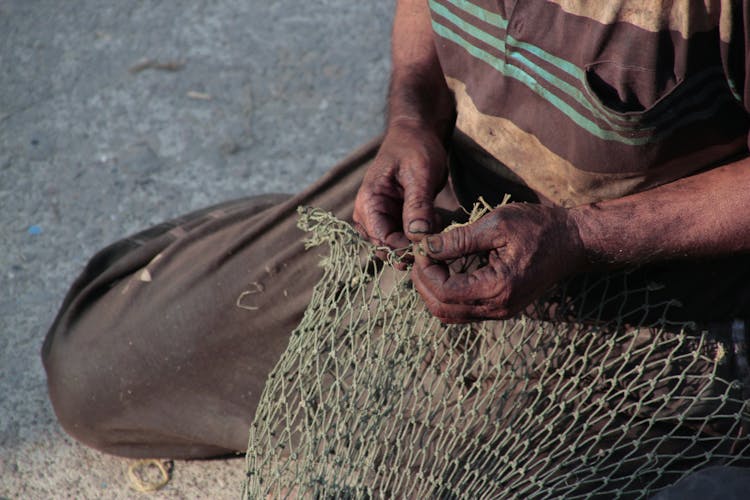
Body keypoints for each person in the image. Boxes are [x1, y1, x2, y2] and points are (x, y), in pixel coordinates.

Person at [42, 0, 750, 493]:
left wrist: (583, 236)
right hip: (446, 197)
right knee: (96, 373)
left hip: (644, 286)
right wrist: (411, 113)